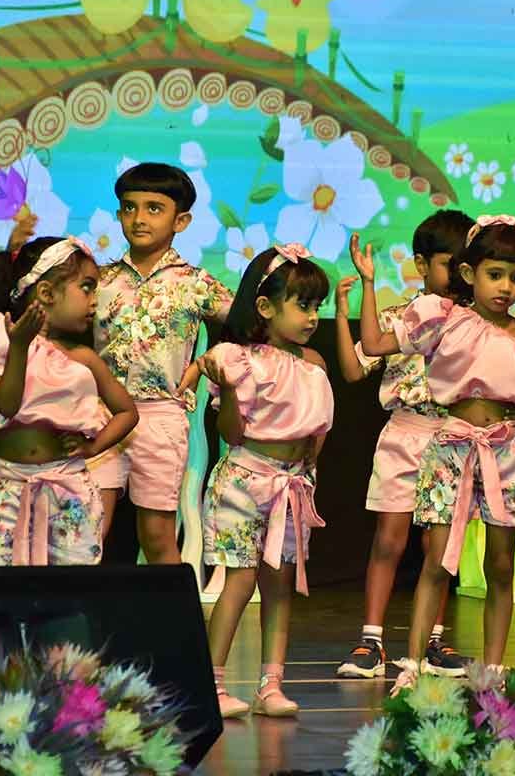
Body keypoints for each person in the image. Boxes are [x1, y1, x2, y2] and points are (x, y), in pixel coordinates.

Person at [351, 215, 515, 690]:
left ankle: (494, 671)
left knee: (500, 565)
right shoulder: (442, 319)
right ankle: (413, 666)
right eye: (494, 274)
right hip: (452, 448)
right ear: (468, 273)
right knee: (438, 560)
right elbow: (375, 344)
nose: (505, 287)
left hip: (504, 453)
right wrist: (368, 283)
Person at [179, 243, 333, 718]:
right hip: (244, 483)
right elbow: (231, 433)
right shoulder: (240, 360)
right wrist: (226, 390)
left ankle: (272, 685)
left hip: (290, 486)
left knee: (279, 584)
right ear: (265, 307)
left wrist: (306, 473)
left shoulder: (313, 365)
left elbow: (316, 432)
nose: (312, 317)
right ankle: (213, 682)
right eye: (302, 305)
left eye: (317, 307)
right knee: (240, 580)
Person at [332, 210, 474, 679]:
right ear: (421, 264)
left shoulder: (473, 323)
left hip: (452, 438)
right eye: (448, 264)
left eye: (466, 265)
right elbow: (353, 369)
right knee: (389, 540)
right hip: (404, 435)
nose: (458, 275)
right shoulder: (399, 318)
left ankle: (433, 642)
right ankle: (371, 642)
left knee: (441, 548)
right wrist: (351, 304)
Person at [89, 163, 233, 557]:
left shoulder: (194, 282)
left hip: (161, 416)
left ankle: (170, 602)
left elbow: (250, 324)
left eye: (154, 208)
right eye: (129, 207)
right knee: (87, 530)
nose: (139, 218)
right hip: (101, 413)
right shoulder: (100, 279)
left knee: (157, 537)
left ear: (181, 220)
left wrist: (205, 363)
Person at [0, 236, 138, 566]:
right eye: (87, 288)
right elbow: (7, 404)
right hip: (8, 490)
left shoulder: (84, 359)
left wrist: (92, 447)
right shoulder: (1, 335)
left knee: (68, 588)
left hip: (68, 490)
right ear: (47, 293)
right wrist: (19, 347)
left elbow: (127, 412)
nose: (95, 302)